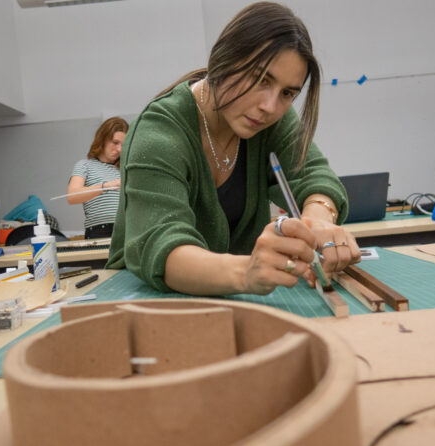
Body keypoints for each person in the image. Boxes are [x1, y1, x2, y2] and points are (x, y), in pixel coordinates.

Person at [107, 2, 360, 296]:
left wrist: (317, 218)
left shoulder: (269, 121)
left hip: (233, 298)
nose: (270, 106)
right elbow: (161, 245)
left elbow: (314, 175)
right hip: (147, 301)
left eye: (288, 93)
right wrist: (247, 272)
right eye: (260, 79)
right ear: (224, 59)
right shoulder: (157, 133)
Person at [66, 117, 128, 239]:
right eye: (115, 143)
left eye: (123, 144)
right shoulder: (85, 165)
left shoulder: (126, 169)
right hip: (99, 232)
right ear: (102, 139)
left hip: (127, 230)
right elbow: (72, 196)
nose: (119, 149)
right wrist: (105, 186)